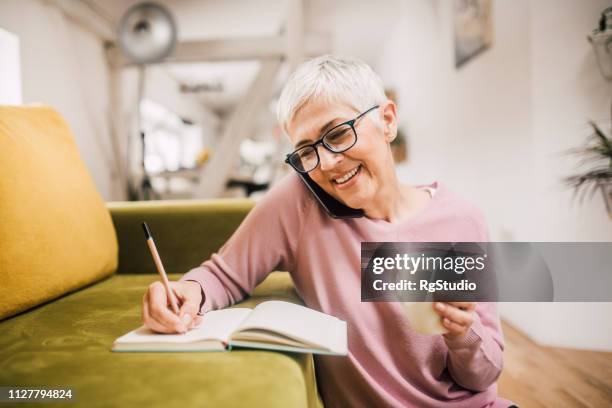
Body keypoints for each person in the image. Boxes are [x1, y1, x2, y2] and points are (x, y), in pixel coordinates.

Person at [141, 55, 512, 408]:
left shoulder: (462, 222)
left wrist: (462, 335)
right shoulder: (301, 202)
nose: (328, 163)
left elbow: (482, 376)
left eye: (337, 134)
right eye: (306, 150)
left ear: (387, 120)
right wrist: (186, 291)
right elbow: (224, 274)